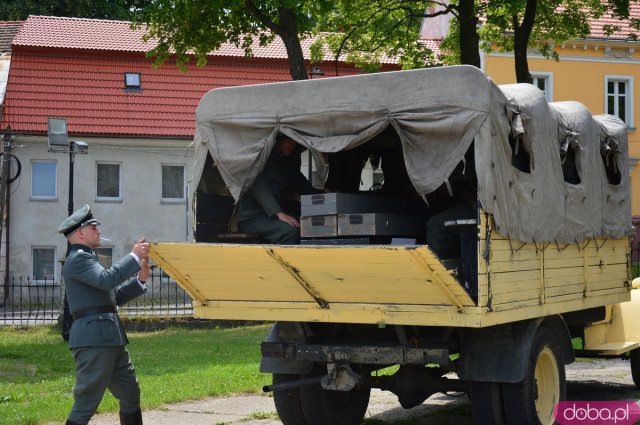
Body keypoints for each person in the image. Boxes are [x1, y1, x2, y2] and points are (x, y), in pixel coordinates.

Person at [58, 204, 150, 425]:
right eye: (93, 227)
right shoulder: (79, 259)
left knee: (130, 394)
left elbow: (112, 297)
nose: (98, 231)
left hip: (110, 338)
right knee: (86, 403)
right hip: (94, 340)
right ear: (80, 233)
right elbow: (107, 280)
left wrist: (141, 280)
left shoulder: (89, 258)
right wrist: (134, 257)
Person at [237, 134, 320, 244]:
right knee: (290, 231)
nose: (292, 146)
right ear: (278, 141)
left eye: (295, 143)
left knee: (310, 222)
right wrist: (279, 213)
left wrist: (325, 198)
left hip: (274, 214)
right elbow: (259, 187)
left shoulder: (288, 162)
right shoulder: (263, 159)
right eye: (288, 141)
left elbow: (302, 184)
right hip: (253, 216)